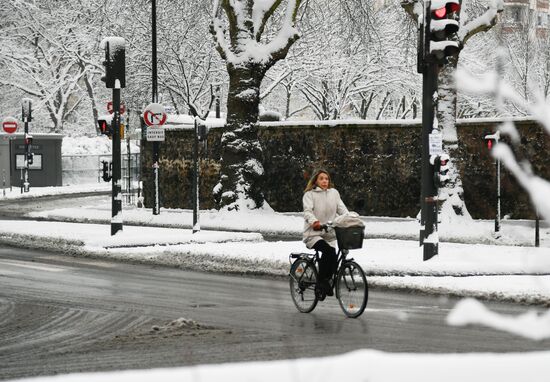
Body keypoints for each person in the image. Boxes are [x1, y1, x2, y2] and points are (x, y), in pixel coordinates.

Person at [302, 169, 349, 299]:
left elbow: (343, 210)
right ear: (316, 181)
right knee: (328, 251)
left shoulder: (334, 193)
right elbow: (307, 212)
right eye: (321, 178)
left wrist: (349, 219)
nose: (324, 181)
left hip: (328, 233)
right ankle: (321, 283)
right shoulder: (309, 195)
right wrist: (314, 222)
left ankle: (326, 281)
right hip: (313, 233)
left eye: (326, 179)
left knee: (333, 257)